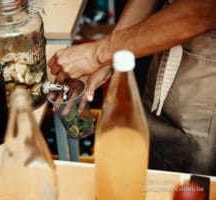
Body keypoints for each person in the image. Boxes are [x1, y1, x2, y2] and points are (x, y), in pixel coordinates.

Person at [48, 0, 216, 176]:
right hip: (164, 47)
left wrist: (98, 54)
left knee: (188, 176)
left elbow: (204, 9)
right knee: (151, 162)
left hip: (203, 74)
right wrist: (108, 57)